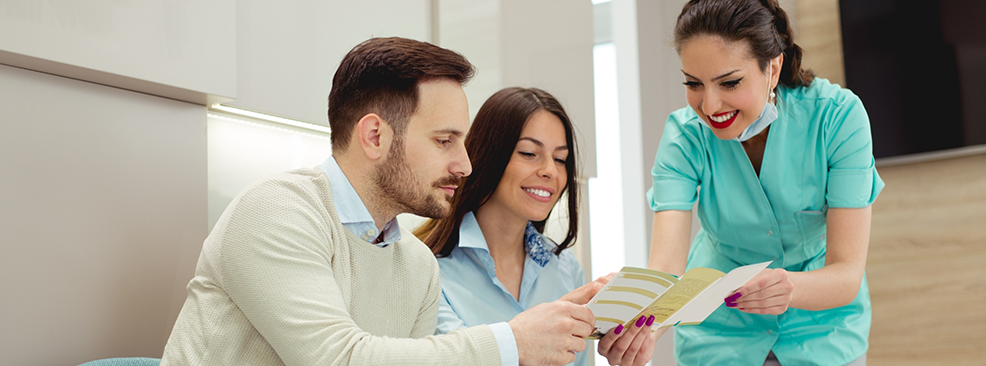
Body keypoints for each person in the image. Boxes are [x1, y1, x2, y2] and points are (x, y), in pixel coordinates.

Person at [160, 37, 596, 366]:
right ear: (374, 136)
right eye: (444, 140)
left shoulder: (416, 266)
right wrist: (512, 342)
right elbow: (339, 359)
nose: (464, 164)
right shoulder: (276, 212)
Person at [645, 0, 883, 365]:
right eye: (694, 84)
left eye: (730, 82)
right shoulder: (685, 136)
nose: (709, 106)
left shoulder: (837, 118)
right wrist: (647, 325)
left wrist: (790, 286)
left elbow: (846, 273)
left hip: (823, 329)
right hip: (718, 329)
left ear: (772, 68)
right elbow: (666, 268)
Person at [415, 87, 656, 366]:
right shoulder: (426, 269)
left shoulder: (565, 269)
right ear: (488, 155)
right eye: (530, 153)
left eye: (560, 159)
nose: (550, 171)